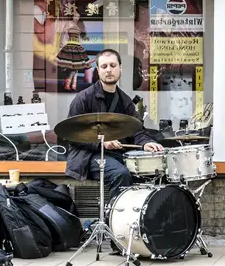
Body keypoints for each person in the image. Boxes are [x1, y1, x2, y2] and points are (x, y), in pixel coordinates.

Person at [64, 49, 164, 200]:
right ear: (98, 70)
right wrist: (101, 142)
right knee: (120, 174)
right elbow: (71, 134)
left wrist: (146, 143)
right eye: (104, 66)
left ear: (120, 68)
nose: (109, 70)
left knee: (146, 172)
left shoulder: (125, 101)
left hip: (116, 155)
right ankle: (115, 220)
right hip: (88, 156)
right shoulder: (83, 98)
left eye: (113, 65)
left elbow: (137, 131)